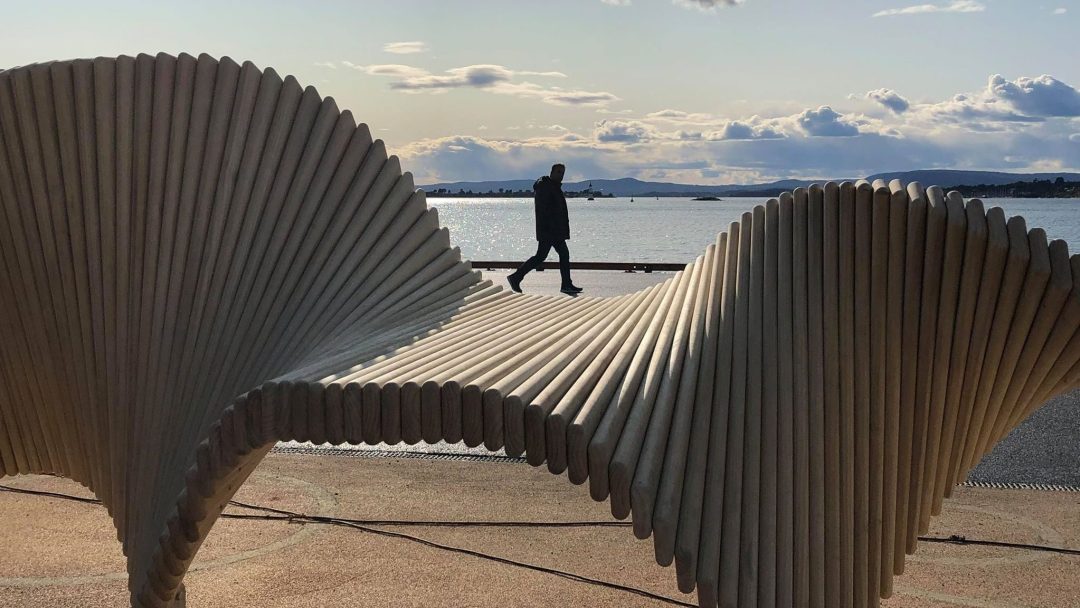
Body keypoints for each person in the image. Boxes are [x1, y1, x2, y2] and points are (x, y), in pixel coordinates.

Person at [507, 163, 583, 295]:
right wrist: (551, 227)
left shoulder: (552, 187)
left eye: (562, 173)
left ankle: (566, 283)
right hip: (550, 230)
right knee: (548, 256)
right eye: (559, 172)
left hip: (554, 230)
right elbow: (544, 210)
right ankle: (516, 277)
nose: (561, 175)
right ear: (552, 172)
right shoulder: (546, 187)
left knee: (546, 256)